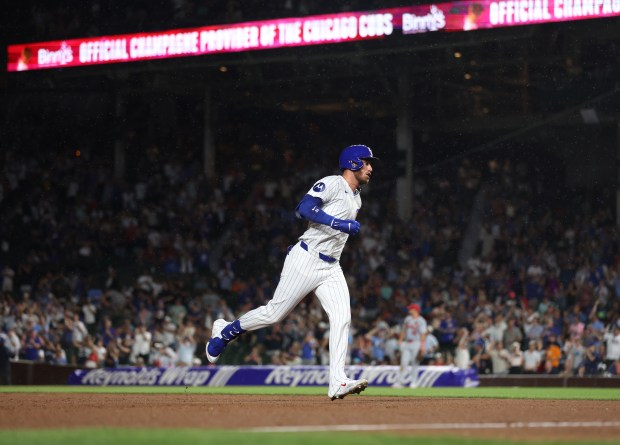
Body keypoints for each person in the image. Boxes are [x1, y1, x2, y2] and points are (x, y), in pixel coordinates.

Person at [205, 145, 378, 400]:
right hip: (306, 258)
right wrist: (338, 223)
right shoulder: (331, 183)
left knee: (342, 318)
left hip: (331, 266)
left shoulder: (357, 197)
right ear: (352, 163)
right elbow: (303, 208)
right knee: (274, 314)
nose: (370, 167)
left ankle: (337, 381)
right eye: (366, 162)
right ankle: (226, 331)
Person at [393, 303, 427, 388]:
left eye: (411, 309)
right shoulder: (408, 319)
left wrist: (422, 346)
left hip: (417, 343)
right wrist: (400, 340)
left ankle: (414, 382)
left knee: (415, 363)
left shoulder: (421, 320)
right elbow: (404, 330)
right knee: (403, 362)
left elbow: (423, 334)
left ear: (415, 310)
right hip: (407, 343)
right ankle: (399, 382)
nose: (409, 310)